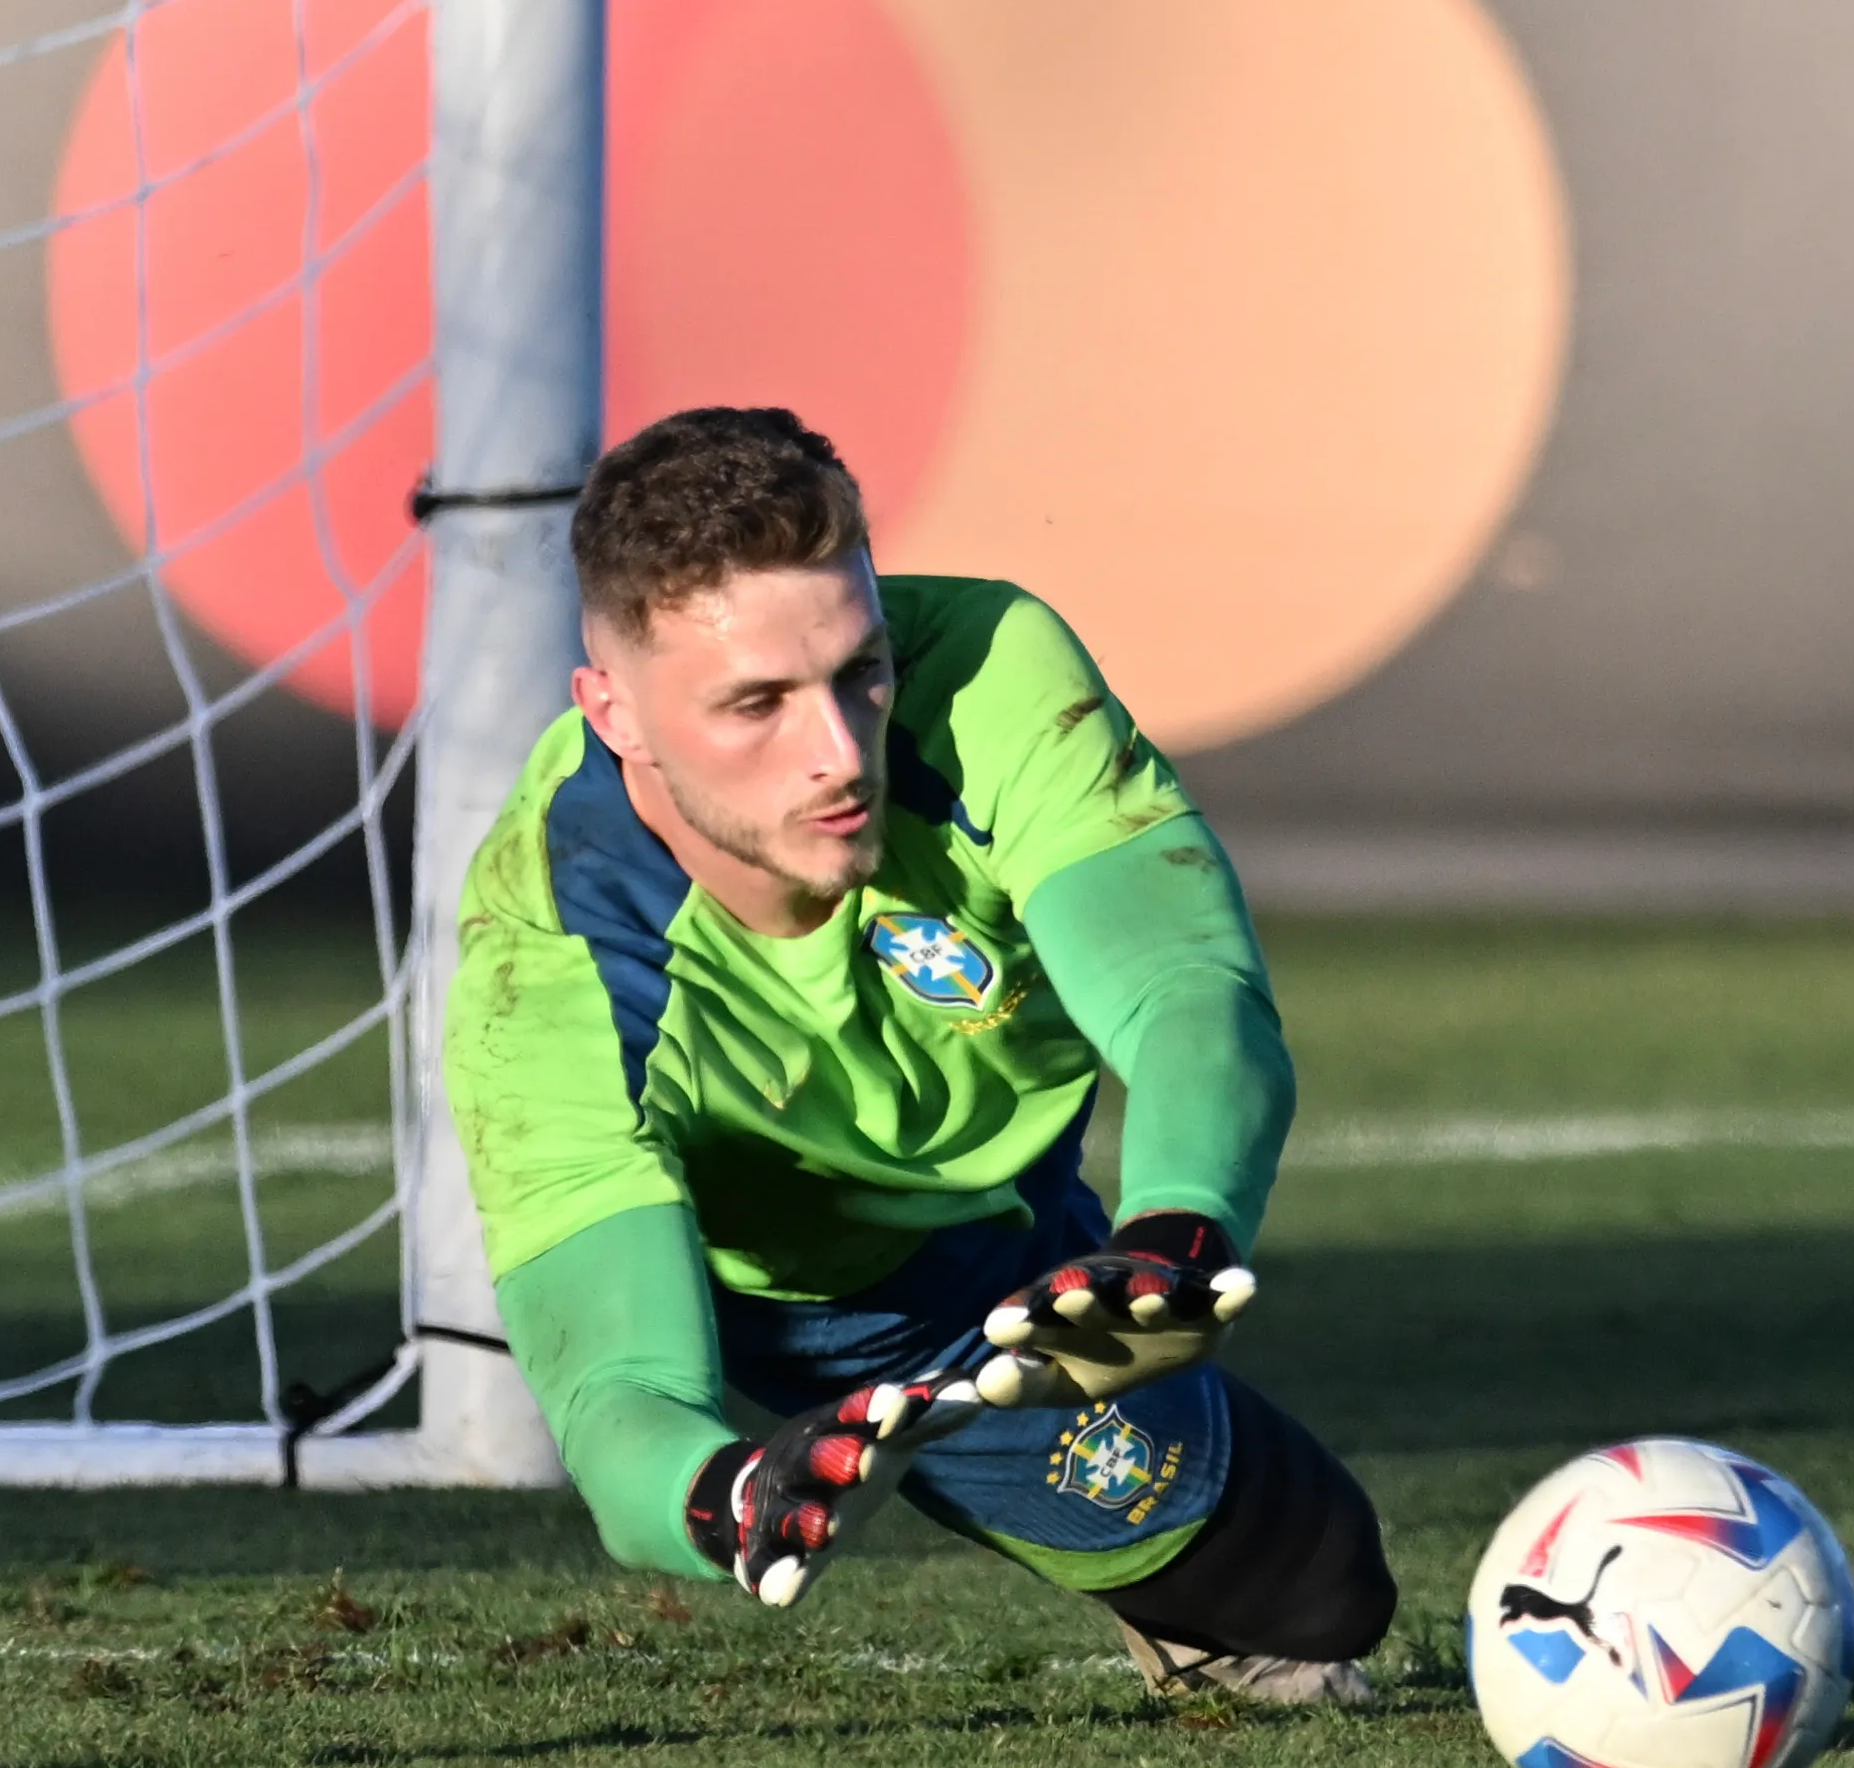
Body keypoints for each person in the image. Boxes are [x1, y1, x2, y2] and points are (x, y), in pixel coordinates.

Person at [443, 406, 1395, 1700]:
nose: (840, 752)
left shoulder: (989, 665)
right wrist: (726, 1493)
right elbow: (615, 1385)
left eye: (857, 671)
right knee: (1308, 1590)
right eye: (755, 703)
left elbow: (1184, 992)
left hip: (1029, 1218)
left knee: (1326, 1586)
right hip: (821, 1309)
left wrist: (1178, 1233)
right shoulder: (549, 952)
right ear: (612, 711)